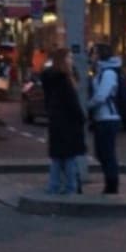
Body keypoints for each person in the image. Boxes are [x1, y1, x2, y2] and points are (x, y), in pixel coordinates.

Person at [41, 49, 86, 194]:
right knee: (69, 158)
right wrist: (81, 118)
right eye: (69, 58)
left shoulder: (50, 79)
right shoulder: (64, 81)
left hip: (56, 122)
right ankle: (70, 188)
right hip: (67, 123)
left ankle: (53, 187)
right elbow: (73, 104)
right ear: (64, 60)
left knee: (57, 158)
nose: (71, 60)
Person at [87, 43, 122, 194]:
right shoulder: (100, 72)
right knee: (101, 152)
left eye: (94, 53)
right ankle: (110, 182)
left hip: (108, 118)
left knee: (107, 152)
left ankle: (112, 185)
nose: (92, 57)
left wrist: (88, 105)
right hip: (101, 118)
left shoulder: (108, 73)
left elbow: (102, 95)